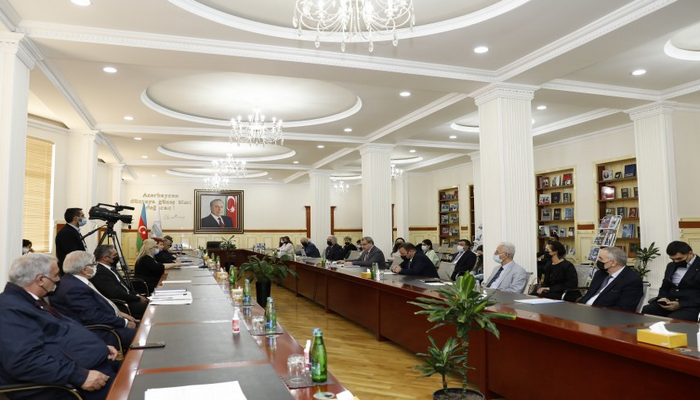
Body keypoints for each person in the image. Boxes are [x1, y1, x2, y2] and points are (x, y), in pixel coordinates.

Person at [0, 253, 120, 400]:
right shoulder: (9, 310)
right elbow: (25, 362)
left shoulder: (30, 301)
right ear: (41, 280)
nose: (58, 279)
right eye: (56, 275)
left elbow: (61, 333)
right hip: (68, 385)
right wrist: (80, 376)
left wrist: (99, 347)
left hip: (95, 365)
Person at [51, 251, 137, 347]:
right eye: (93, 263)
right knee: (140, 334)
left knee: (141, 327)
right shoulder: (74, 288)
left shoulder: (74, 281)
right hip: (97, 332)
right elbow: (93, 317)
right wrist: (125, 323)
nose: (96, 266)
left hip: (105, 323)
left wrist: (118, 313)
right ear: (85, 269)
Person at [642, 241, 700, 321]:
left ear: (690, 253)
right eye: (673, 259)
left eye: (679, 258)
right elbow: (664, 286)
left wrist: (680, 304)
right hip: (669, 303)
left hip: (691, 306)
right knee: (645, 311)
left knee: (672, 321)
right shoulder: (671, 266)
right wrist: (663, 298)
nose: (676, 262)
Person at [92, 245, 149, 319]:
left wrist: (137, 295)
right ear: (105, 258)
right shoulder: (100, 272)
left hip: (130, 298)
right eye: (115, 255)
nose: (117, 257)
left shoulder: (111, 268)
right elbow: (115, 293)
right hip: (123, 303)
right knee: (151, 308)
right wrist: (137, 298)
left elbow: (125, 287)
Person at [579, 247, 643, 312]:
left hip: (604, 314)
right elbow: (588, 295)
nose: (598, 260)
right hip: (583, 310)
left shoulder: (632, 280)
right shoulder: (600, 274)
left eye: (601, 258)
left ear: (613, 263)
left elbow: (624, 308)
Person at [55, 207, 88, 272]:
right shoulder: (66, 232)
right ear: (75, 218)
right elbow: (73, 254)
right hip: (71, 269)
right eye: (82, 216)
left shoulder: (74, 231)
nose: (84, 218)